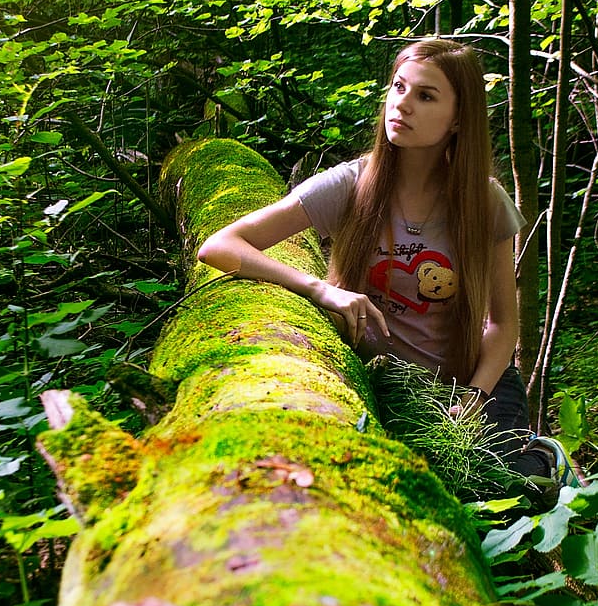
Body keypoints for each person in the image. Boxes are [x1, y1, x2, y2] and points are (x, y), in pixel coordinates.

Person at [197, 37, 568, 495]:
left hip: (476, 383)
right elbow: (221, 244)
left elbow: (503, 324)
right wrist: (321, 290)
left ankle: (543, 457)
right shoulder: (351, 185)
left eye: (425, 95)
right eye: (398, 87)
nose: (402, 104)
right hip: (393, 388)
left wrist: (475, 396)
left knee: (508, 493)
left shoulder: (484, 203)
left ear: (457, 120)